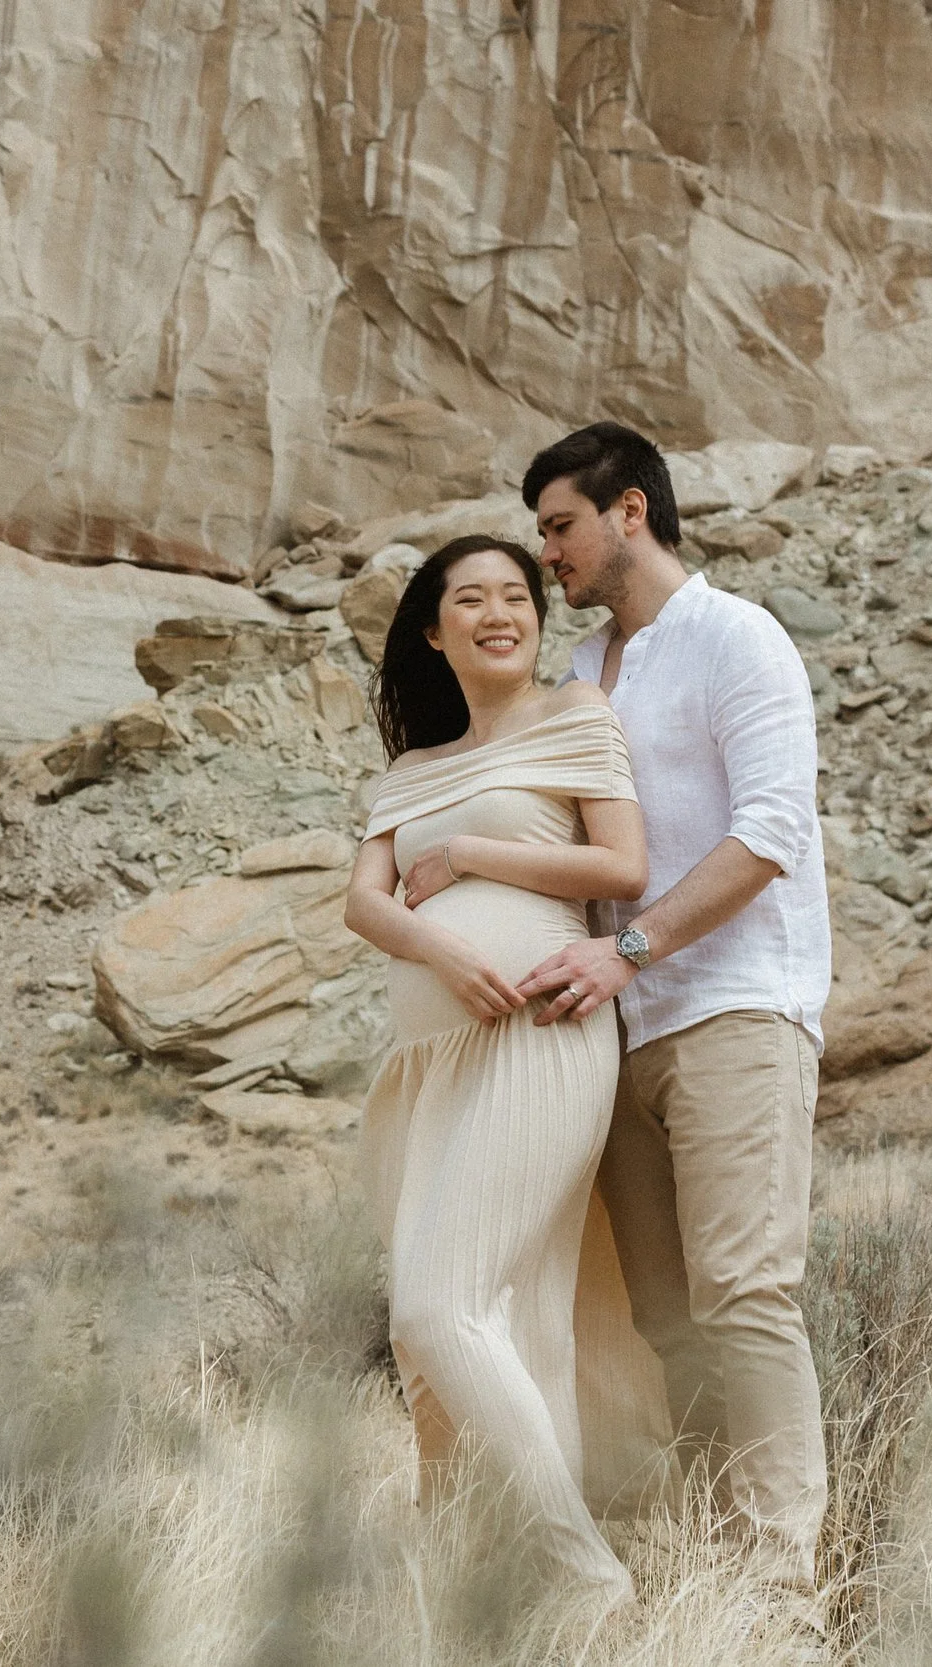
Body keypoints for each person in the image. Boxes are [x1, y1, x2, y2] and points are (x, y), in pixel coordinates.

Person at [511, 422, 833, 1596]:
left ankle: (781, 1582)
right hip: (614, 1035)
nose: (548, 552)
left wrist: (630, 950)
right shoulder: (582, 676)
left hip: (733, 1007)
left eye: (561, 525)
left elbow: (770, 835)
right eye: (540, 532)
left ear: (630, 511)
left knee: (746, 1290)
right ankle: (712, 1553)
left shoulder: (736, 638)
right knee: (662, 1312)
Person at [342, 533, 649, 1599]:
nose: (496, 611)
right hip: (430, 1058)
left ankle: (585, 1576)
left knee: (442, 1305)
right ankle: (476, 1583)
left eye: (515, 593)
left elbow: (622, 864)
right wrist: (438, 946)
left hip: (538, 1032)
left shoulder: (575, 715)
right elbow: (364, 900)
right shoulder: (412, 768)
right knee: (452, 1330)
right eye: (467, 599)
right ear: (433, 632)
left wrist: (469, 859)